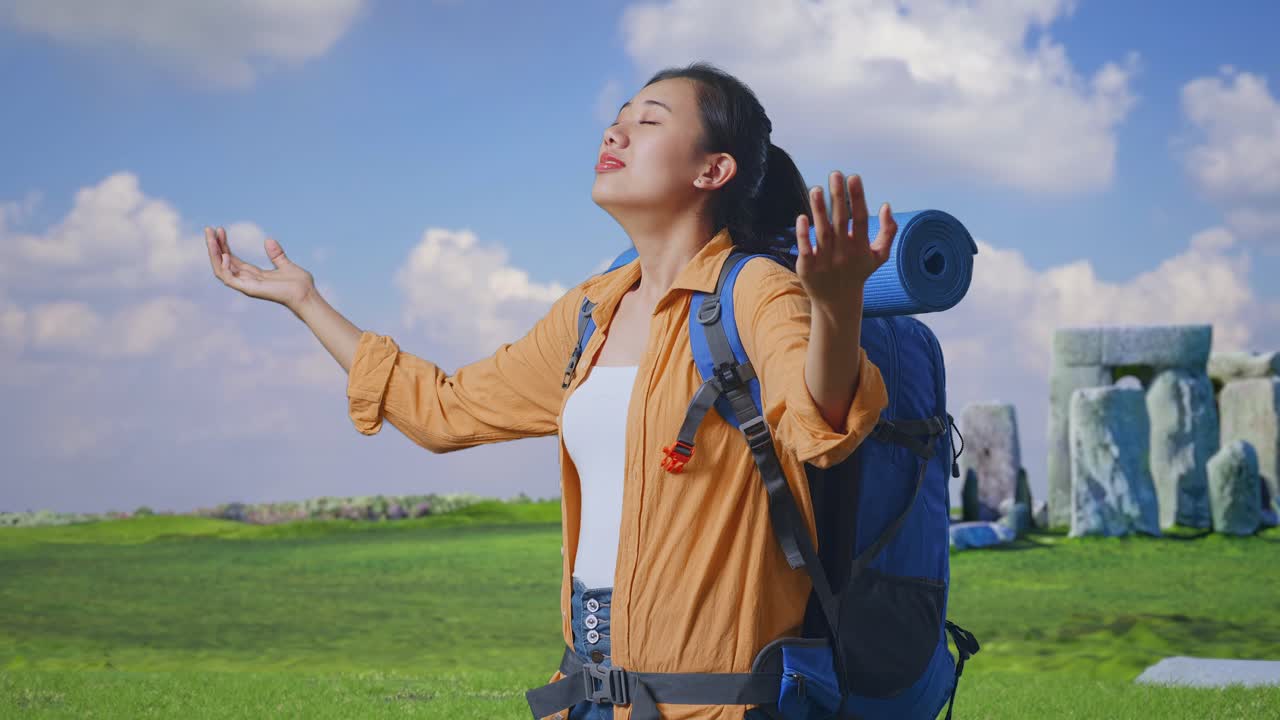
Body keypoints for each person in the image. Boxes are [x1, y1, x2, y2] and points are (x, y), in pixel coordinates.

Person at [205, 61, 894, 720]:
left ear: (712, 170)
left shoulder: (755, 291)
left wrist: (835, 308)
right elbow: (444, 410)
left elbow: (819, 426)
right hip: (588, 693)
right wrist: (307, 302)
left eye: (649, 121)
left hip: (715, 703)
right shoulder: (591, 312)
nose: (614, 132)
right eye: (618, 118)